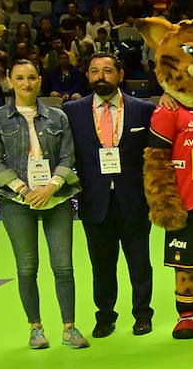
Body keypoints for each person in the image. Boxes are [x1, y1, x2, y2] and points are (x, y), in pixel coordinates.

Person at [0, 59, 87, 349]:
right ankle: (36, 328)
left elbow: (68, 157)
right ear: (10, 81)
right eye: (20, 78)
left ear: (39, 80)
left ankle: (70, 328)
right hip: (16, 201)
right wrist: (23, 190)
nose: (26, 83)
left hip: (57, 198)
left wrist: (51, 186)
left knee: (63, 266)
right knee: (27, 267)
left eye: (31, 77)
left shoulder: (58, 117)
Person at [62, 53, 155, 337]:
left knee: (139, 262)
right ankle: (104, 316)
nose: (100, 76)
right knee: (101, 265)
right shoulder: (71, 111)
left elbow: (154, 155)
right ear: (87, 75)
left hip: (134, 200)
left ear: (121, 74)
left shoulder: (143, 109)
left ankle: (142, 315)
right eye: (94, 72)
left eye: (107, 71)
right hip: (94, 201)